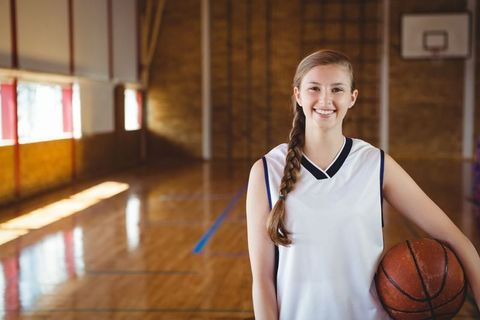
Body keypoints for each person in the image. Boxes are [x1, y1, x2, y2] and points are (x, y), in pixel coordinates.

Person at [246, 49, 480, 319]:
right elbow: (262, 280)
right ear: (297, 94)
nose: (325, 99)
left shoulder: (375, 164)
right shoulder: (266, 170)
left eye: (337, 89)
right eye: (314, 88)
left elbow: (455, 239)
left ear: (352, 97)